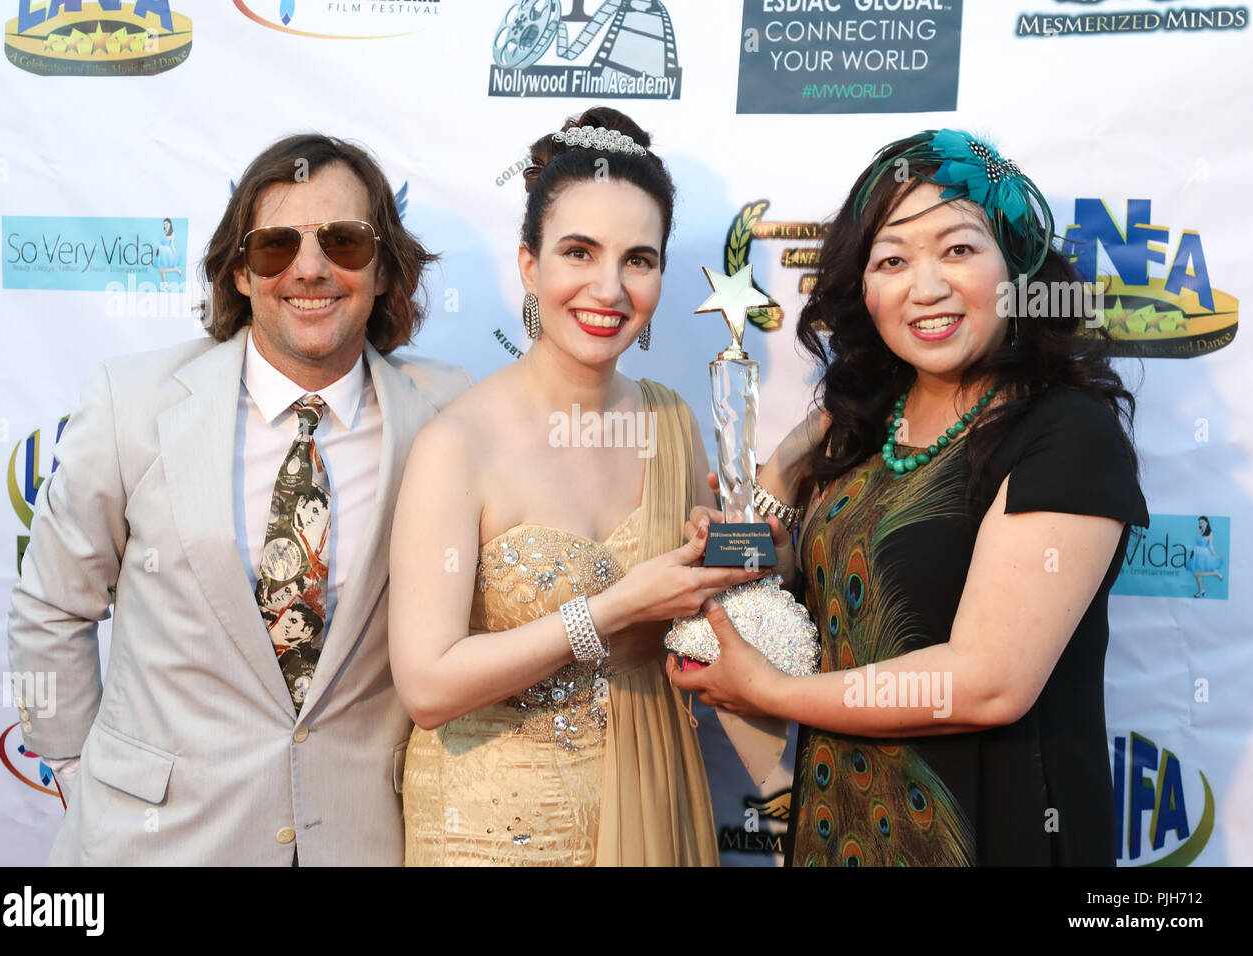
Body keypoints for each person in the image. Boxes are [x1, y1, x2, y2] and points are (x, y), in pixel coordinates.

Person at [670, 129, 1149, 866]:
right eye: (892, 260)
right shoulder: (867, 421)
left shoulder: (1064, 433)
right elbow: (774, 564)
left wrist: (768, 692)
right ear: (863, 287)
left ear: (1016, 267)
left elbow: (990, 683)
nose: (925, 287)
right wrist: (738, 524)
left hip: (997, 834)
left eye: (958, 250)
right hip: (840, 831)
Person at [7, 133, 472, 866]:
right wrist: (81, 778)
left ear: (384, 270)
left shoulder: (451, 414)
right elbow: (52, 608)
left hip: (367, 840)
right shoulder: (132, 406)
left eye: (345, 242)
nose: (311, 268)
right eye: (276, 245)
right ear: (240, 273)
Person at [389, 107, 761, 866]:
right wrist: (614, 608)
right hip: (491, 827)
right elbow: (426, 687)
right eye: (579, 252)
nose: (609, 287)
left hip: (652, 794)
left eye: (638, 259)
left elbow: (691, 626)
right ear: (529, 265)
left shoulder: (672, 423)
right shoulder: (456, 444)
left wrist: (733, 558)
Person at [1186, 515, 1224, 597]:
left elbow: (1211, 545)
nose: (1201, 524)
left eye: (1202, 522)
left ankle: (1215, 573)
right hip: (1196, 553)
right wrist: (1192, 549)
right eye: (1200, 522)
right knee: (1197, 573)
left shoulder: (1210, 533)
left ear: (1206, 522)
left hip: (1203, 554)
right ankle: (1201, 590)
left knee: (1196, 573)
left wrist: (1215, 555)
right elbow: (1197, 543)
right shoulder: (1199, 531)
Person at [154, 217, 182, 290]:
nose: (165, 225)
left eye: (166, 223)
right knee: (161, 269)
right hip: (161, 250)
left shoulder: (172, 233)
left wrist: (175, 253)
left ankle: (175, 270)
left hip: (166, 251)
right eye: (164, 224)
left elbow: (172, 244)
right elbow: (161, 242)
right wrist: (158, 248)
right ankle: (165, 284)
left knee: (161, 269)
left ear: (170, 224)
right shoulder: (164, 232)